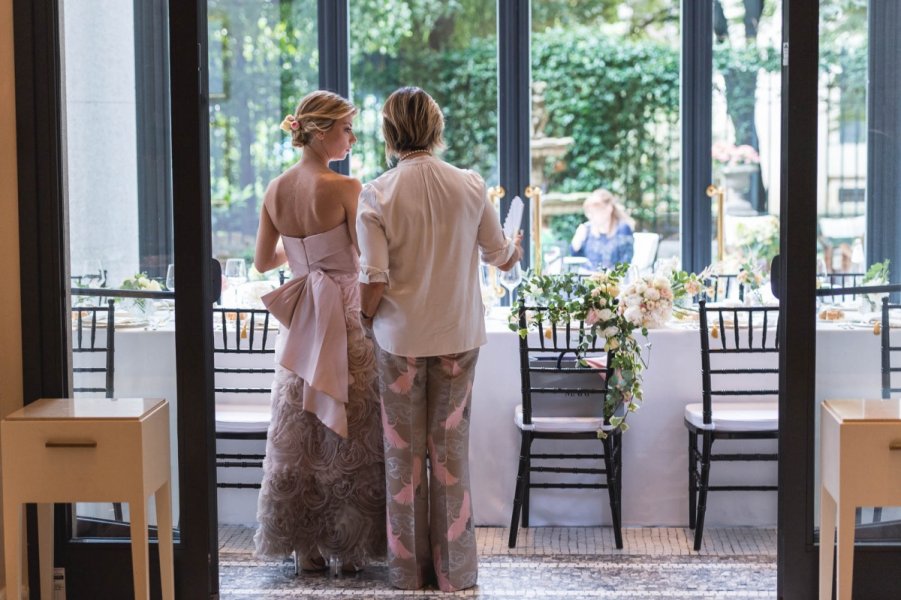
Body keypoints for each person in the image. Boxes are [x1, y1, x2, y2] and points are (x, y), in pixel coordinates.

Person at [356, 86, 523, 593]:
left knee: (401, 457)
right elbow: (501, 257)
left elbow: (374, 277)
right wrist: (515, 244)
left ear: (389, 132)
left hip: (399, 338)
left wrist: (365, 319)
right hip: (457, 335)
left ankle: (408, 573)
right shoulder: (471, 185)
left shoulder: (376, 193)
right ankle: (456, 573)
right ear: (436, 128)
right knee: (449, 452)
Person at [252, 90, 386, 573]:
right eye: (347, 128)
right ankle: (349, 549)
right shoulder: (345, 186)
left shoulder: (275, 189)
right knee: (345, 434)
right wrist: (329, 258)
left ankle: (303, 549)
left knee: (300, 433)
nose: (351, 137)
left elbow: (264, 261)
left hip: (302, 325)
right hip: (346, 322)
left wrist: (307, 257)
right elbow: (368, 259)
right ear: (321, 131)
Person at [570, 188, 635, 269]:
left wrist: (606, 278)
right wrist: (576, 244)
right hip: (588, 279)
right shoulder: (587, 229)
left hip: (614, 280)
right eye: (589, 212)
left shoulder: (623, 229)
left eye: (595, 211)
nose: (591, 216)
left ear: (609, 208)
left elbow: (626, 261)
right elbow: (577, 259)